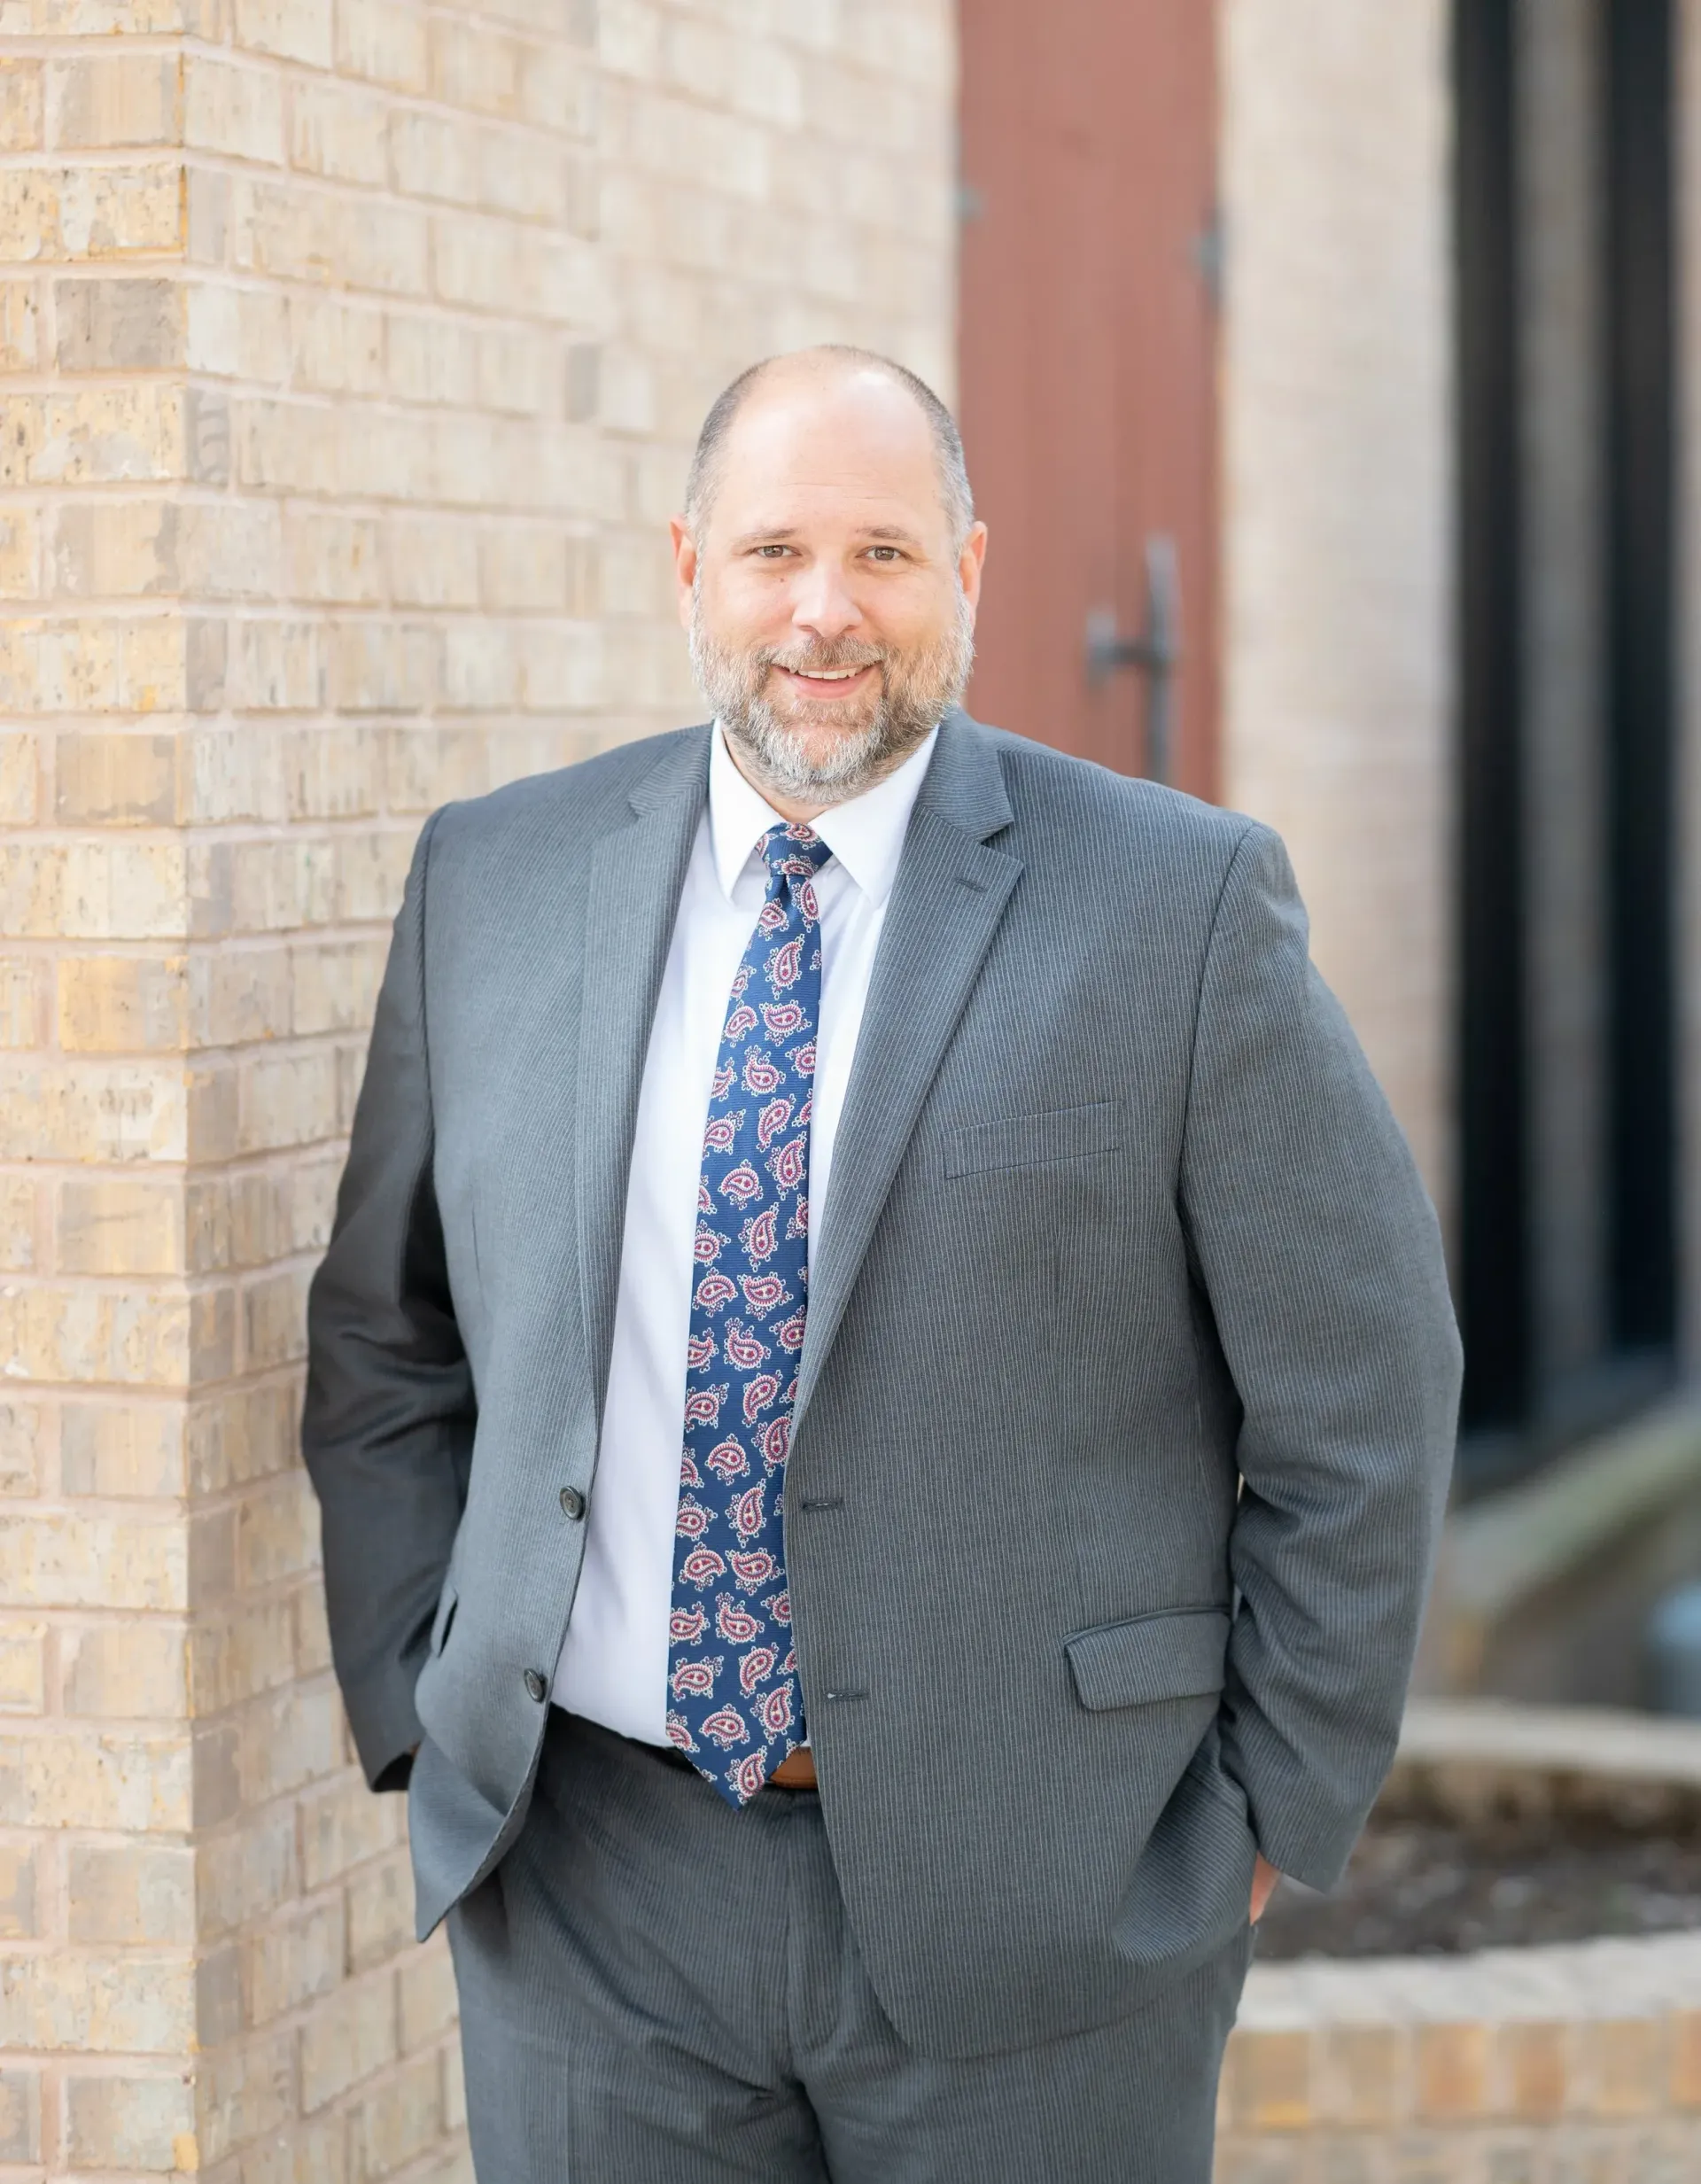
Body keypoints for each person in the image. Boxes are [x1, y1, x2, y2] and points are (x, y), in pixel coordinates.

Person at [302, 346, 1462, 2181]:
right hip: (592, 1888)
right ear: (688, 565)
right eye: (773, 551)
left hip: (1052, 1896)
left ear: (973, 572)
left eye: (886, 554)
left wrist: (1259, 1809)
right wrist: (420, 1703)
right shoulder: (494, 880)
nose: (825, 611)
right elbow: (388, 1336)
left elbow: (1366, 1394)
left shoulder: (1180, 904)